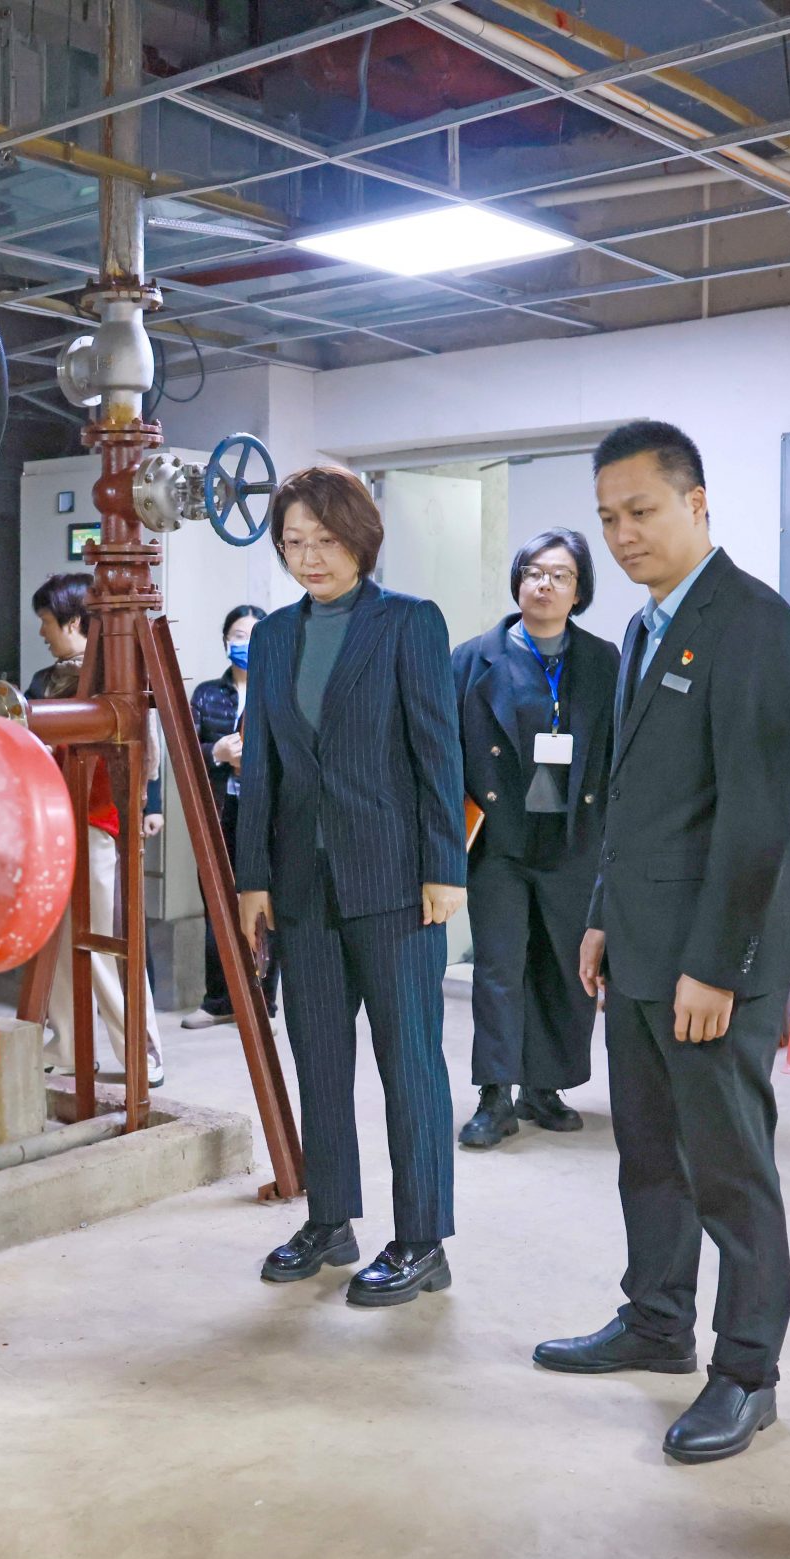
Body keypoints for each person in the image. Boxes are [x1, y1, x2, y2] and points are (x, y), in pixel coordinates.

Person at [534, 419, 790, 1466]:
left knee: (729, 1171)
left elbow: (754, 816)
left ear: (697, 503)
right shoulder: (648, 627)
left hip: (710, 964)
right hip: (642, 948)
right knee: (649, 1153)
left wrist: (715, 966)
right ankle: (656, 1319)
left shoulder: (754, 625)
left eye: (641, 511)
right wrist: (604, 913)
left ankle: (746, 1372)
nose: (622, 534)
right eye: (609, 517)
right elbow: (635, 799)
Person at [236, 466, 467, 1306]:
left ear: (361, 539)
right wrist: (253, 878)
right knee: (321, 1061)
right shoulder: (272, 638)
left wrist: (446, 867)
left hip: (398, 883)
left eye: (326, 540)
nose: (310, 557)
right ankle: (329, 1221)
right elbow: (261, 765)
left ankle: (422, 1240)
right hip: (303, 885)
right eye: (294, 542)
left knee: (411, 1067)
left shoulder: (408, 623)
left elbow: (438, 750)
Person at [451, 527, 617, 1146]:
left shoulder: (603, 662)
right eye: (534, 572)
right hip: (500, 840)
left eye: (561, 575)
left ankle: (544, 1087)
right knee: (499, 967)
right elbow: (445, 756)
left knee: (564, 966)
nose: (545, 584)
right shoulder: (473, 659)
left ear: (580, 590)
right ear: (518, 581)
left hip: (573, 837)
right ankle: (495, 1094)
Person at [27, 571, 168, 1087]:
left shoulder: (115, 676)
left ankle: (140, 1050)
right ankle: (66, 1046)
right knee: (60, 938)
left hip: (96, 822)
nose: (42, 631)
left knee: (108, 942)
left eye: (47, 620)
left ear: (72, 621)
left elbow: (145, 754)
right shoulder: (46, 681)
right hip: (53, 821)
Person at [186, 603, 274, 1029]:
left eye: (253, 636)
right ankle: (218, 1000)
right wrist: (217, 753)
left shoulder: (278, 689)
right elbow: (185, 751)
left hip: (267, 815)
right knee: (217, 905)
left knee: (265, 908)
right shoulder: (207, 694)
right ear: (225, 640)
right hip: (220, 811)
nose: (245, 644)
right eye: (238, 635)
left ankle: (262, 1003)